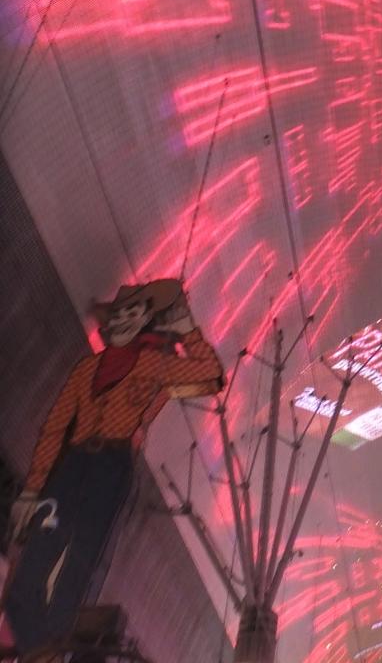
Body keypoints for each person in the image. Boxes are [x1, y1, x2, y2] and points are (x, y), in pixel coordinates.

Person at [3, 279, 223, 661]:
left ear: (144, 321)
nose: (124, 318)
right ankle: (37, 645)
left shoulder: (154, 365)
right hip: (73, 464)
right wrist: (32, 488)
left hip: (111, 467)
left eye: (134, 312)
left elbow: (211, 375)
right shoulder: (87, 369)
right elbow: (55, 426)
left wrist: (187, 328)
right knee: (40, 548)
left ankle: (49, 646)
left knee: (81, 559)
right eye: (120, 312)